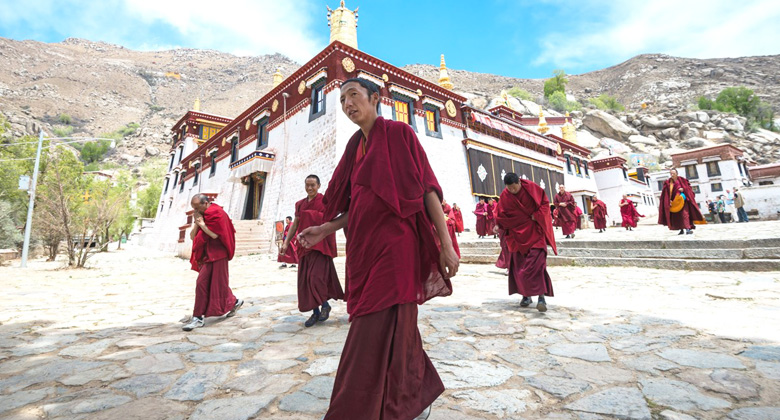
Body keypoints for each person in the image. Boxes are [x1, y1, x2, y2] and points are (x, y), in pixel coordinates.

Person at [297, 78, 458, 420]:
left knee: (370, 328)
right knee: (398, 327)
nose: (346, 104)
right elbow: (356, 206)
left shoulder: (400, 134)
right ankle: (414, 395)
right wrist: (325, 228)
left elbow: (427, 189)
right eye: (341, 100)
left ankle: (355, 408)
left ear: (374, 98)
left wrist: (446, 244)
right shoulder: (354, 148)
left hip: (397, 248)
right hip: (364, 250)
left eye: (353, 96)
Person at [281, 175, 344, 328]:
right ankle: (315, 312)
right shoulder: (300, 204)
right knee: (306, 281)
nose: (310, 188)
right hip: (304, 247)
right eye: (307, 185)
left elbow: (331, 222)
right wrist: (286, 242)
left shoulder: (325, 201)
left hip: (320, 247)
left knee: (316, 278)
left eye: (313, 185)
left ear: (319, 186)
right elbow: (296, 225)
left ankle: (325, 305)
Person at [495, 173, 556, 312]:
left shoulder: (531, 188)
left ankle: (541, 298)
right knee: (519, 268)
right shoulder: (505, 195)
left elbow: (545, 204)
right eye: (509, 188)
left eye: (514, 188)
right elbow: (501, 213)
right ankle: (526, 296)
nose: (512, 191)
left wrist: (538, 216)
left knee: (536, 267)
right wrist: (498, 224)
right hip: (516, 237)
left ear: (519, 182)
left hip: (535, 234)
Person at [184, 194, 243, 331]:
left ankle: (198, 317)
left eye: (197, 208)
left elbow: (215, 235)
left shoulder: (217, 213)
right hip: (207, 255)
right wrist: (197, 224)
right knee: (214, 284)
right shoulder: (201, 215)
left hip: (218, 255)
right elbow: (193, 237)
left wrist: (203, 224)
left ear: (206, 203)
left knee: (205, 284)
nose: (196, 211)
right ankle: (234, 302)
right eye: (194, 208)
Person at [658, 168, 705, 234]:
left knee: (684, 214)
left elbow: (688, 189)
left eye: (673, 173)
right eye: (671, 173)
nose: (672, 175)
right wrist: (668, 202)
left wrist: (683, 189)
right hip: (674, 202)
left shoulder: (682, 180)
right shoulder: (668, 182)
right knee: (677, 217)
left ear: (677, 173)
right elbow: (666, 194)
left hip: (683, 201)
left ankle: (688, 229)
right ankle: (681, 229)